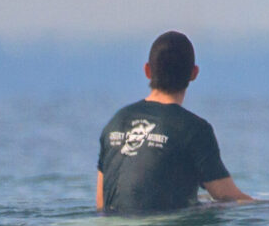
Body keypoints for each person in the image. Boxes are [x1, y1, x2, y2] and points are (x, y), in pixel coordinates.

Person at [94, 30, 254, 214]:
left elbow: (101, 204)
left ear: (147, 70)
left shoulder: (115, 122)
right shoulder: (195, 130)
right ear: (194, 73)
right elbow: (227, 196)